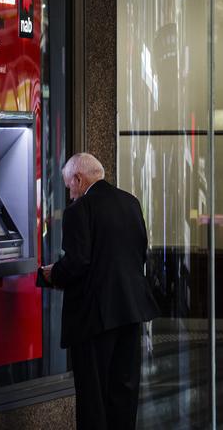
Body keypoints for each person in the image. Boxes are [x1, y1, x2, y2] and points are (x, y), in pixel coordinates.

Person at [41, 153, 159, 430]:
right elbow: (139, 253)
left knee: (94, 396)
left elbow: (78, 262)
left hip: (94, 319)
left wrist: (53, 273)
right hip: (130, 311)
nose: (70, 193)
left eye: (69, 185)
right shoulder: (130, 202)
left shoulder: (79, 210)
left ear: (79, 179)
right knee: (124, 391)